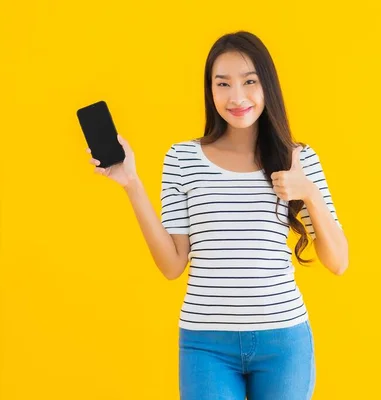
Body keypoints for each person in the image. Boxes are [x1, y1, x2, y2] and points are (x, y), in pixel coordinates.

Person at [86, 30, 348, 400]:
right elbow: (172, 265)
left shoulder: (298, 159)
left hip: (284, 342)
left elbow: (337, 262)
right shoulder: (182, 159)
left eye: (249, 81)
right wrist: (131, 183)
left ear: (267, 86)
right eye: (222, 83)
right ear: (210, 91)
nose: (236, 96)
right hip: (205, 345)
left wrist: (308, 192)